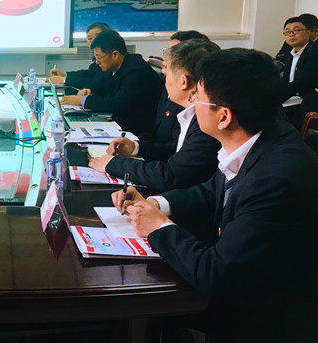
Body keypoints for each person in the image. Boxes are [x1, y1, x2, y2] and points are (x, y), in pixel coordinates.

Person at [111, 48, 318, 343]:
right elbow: (210, 193)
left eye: (198, 97)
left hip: (267, 316)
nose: (192, 103)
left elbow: (216, 273)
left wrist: (158, 227)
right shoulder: (257, 138)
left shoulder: (276, 179)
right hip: (245, 283)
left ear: (223, 117)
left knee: (135, 307)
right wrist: (156, 203)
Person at [89, 39, 221, 191]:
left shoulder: (207, 122)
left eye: (166, 75)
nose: (164, 82)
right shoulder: (190, 113)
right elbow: (178, 153)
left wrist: (113, 164)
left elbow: (171, 175)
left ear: (183, 82)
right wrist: (136, 148)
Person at [61, 30, 163, 135]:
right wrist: (88, 89)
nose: (97, 62)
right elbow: (100, 82)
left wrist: (83, 100)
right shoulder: (114, 67)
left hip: (136, 131)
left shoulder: (137, 72)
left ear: (115, 55)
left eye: (99, 57)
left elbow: (117, 104)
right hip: (119, 122)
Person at [148, 30, 212, 163]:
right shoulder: (171, 93)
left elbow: (175, 169)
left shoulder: (205, 120)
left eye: (175, 53)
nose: (165, 60)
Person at [276, 15, 318, 123]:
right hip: (296, 95)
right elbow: (287, 81)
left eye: (297, 30)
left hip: (310, 96)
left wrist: (277, 97)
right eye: (287, 31)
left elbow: (303, 81)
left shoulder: (315, 52)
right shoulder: (289, 53)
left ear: (308, 32)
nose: (291, 34)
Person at [49, 22, 109, 89]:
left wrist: (64, 80)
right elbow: (90, 73)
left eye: (97, 37)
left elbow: (96, 82)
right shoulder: (97, 58)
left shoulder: (108, 58)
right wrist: (64, 74)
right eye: (89, 38)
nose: (93, 41)